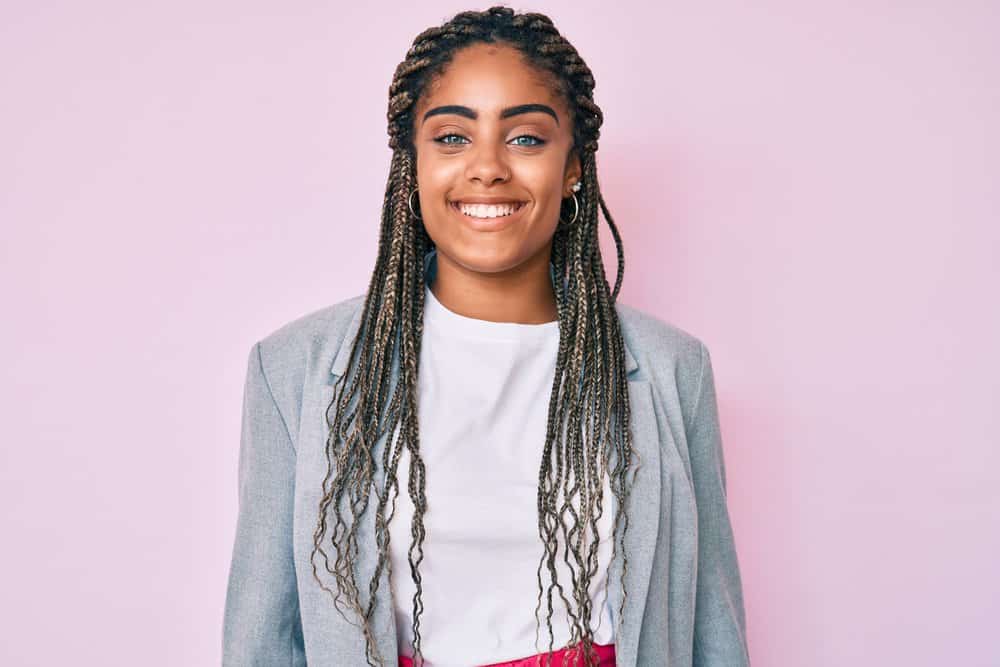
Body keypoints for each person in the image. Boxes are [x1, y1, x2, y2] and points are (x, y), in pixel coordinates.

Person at [222, 6, 750, 667]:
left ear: (574, 166)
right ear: (411, 165)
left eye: (526, 138)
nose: (488, 167)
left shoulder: (673, 369)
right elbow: (261, 642)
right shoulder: (294, 369)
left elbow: (712, 631)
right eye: (451, 138)